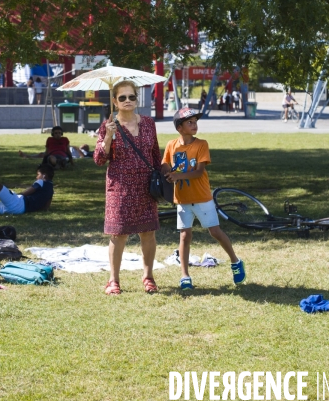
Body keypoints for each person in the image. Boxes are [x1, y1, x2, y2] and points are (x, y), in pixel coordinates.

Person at [161, 108, 246, 290]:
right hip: (182, 200)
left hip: (202, 197)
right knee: (185, 236)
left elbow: (199, 171)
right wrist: (168, 174)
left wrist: (177, 176)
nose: (194, 125)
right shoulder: (171, 145)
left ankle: (235, 261)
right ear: (179, 127)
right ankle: (185, 276)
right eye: (189, 122)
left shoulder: (201, 145)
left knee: (214, 232)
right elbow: (165, 165)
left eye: (195, 122)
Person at [93, 80, 161, 295]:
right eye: (122, 98)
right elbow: (98, 159)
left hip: (145, 185)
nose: (128, 101)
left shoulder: (149, 123)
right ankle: (113, 280)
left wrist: (161, 178)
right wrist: (109, 137)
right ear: (114, 101)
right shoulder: (108, 125)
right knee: (118, 234)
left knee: (148, 232)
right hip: (119, 187)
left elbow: (155, 154)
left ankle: (148, 276)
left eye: (131, 97)